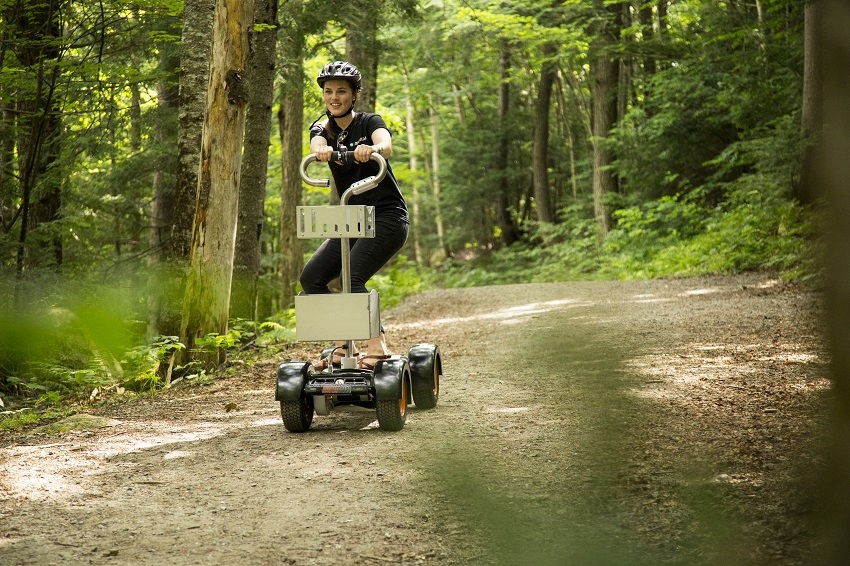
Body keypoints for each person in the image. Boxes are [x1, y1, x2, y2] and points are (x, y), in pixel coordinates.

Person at [300, 60, 409, 369]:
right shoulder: (323, 127)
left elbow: (385, 143)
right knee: (312, 278)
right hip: (353, 219)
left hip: (387, 217)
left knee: (353, 278)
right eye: (329, 92)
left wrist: (373, 150)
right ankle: (339, 345)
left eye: (342, 92)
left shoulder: (368, 121)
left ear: (354, 94)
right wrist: (320, 150)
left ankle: (378, 347)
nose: (335, 97)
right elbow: (317, 141)